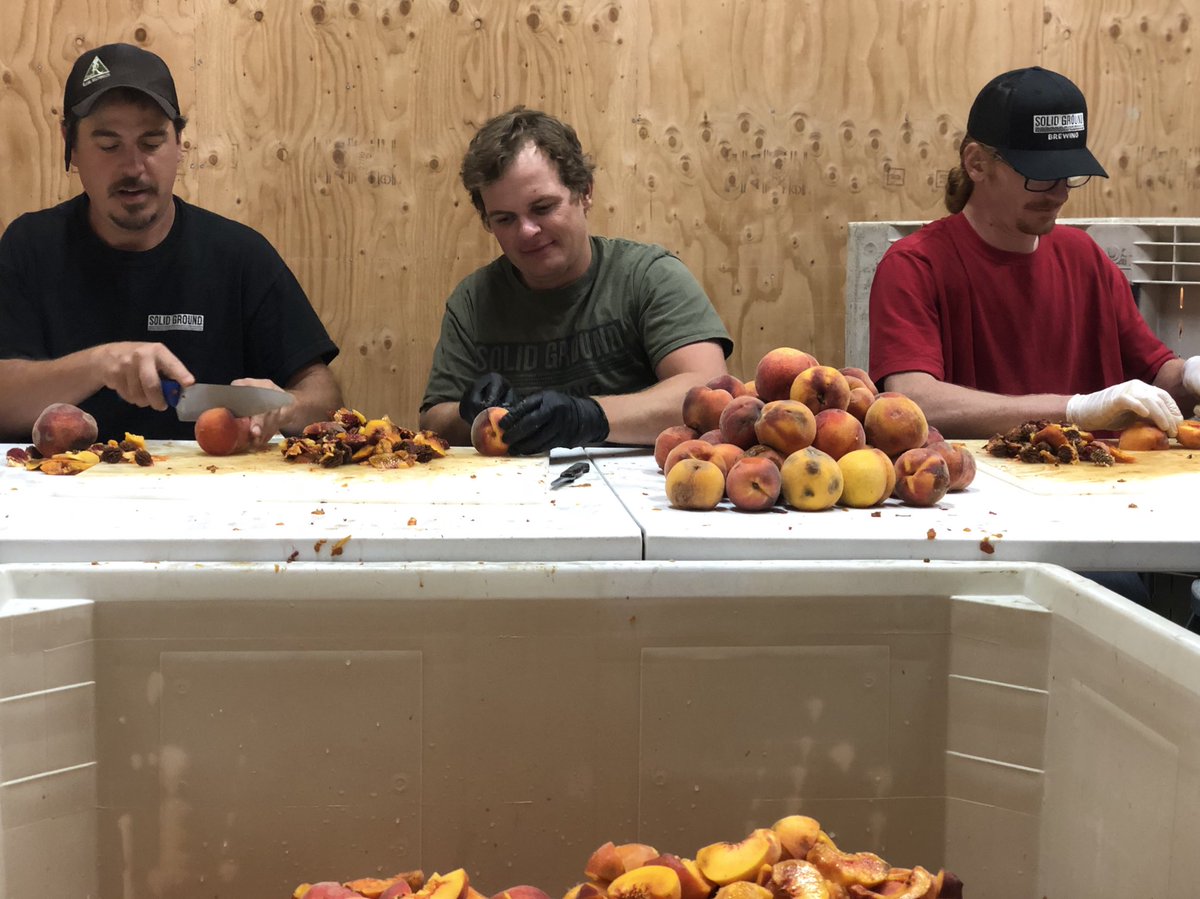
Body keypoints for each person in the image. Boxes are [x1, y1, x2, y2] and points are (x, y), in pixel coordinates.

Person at [0, 43, 341, 446]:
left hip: (216, 492)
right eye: (108, 145)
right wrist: (100, 364)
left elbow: (328, 401)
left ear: (180, 144)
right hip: (57, 490)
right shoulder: (30, 246)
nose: (133, 167)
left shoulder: (239, 254)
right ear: (70, 145)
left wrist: (284, 406)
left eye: (152, 142)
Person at [869, 66, 1200, 440]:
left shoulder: (1084, 258)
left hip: (1100, 488)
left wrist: (1189, 375)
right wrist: (1074, 410)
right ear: (976, 163)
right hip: (980, 492)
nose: (1059, 194)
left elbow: (1158, 377)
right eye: (1040, 176)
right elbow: (914, 401)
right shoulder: (916, 266)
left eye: (1069, 175)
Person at [419, 107, 732, 453]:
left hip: (641, 496)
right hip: (513, 493)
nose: (527, 231)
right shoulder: (473, 300)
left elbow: (711, 393)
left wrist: (590, 416)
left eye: (543, 207)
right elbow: (434, 422)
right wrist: (471, 414)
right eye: (505, 219)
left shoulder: (649, 276)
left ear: (584, 192)